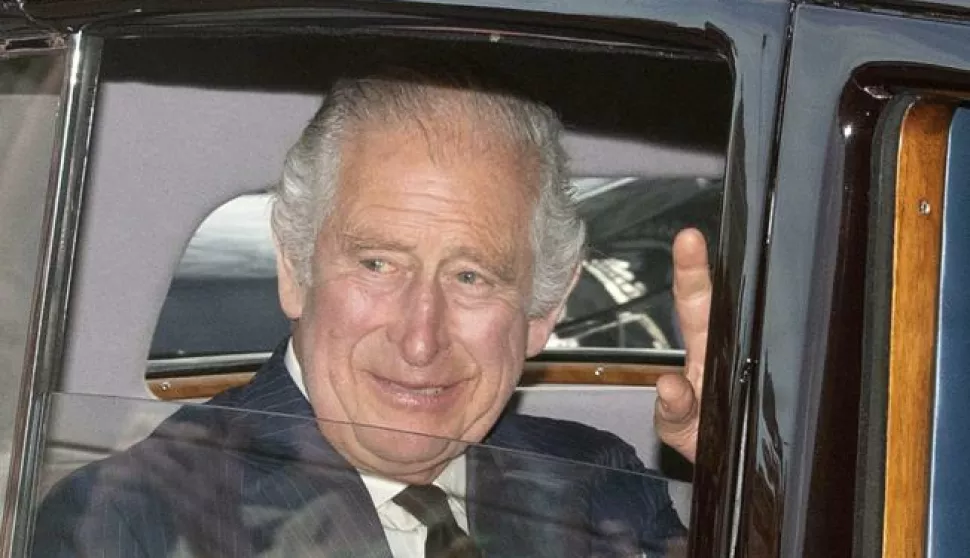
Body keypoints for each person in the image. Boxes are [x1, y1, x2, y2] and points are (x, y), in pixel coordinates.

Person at [33, 71, 710, 558]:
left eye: (472, 276)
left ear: (543, 311)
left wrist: (759, 489)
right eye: (378, 264)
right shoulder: (129, 521)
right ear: (296, 271)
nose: (420, 338)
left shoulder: (598, 480)